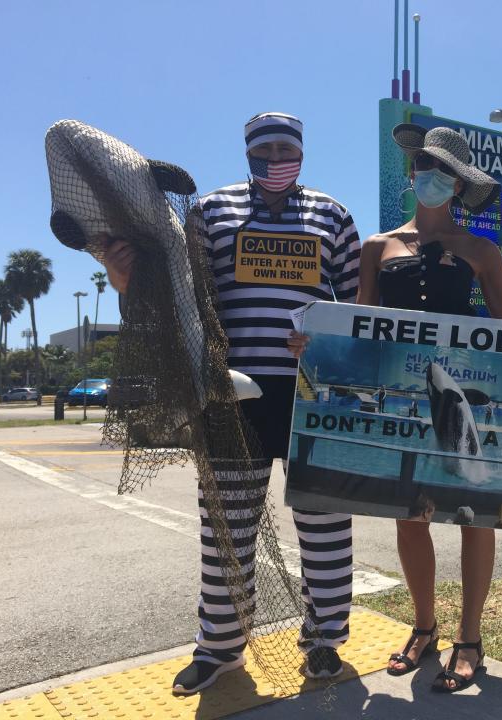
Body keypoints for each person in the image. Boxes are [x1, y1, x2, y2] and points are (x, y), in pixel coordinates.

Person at [101, 112, 360, 695]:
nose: (275, 158)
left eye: (285, 148)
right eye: (263, 148)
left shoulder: (334, 215)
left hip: (314, 395)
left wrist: (331, 336)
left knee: (325, 525)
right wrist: (125, 282)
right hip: (229, 392)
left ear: (301, 151)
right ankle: (219, 649)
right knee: (226, 528)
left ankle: (325, 640)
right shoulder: (210, 212)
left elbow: (354, 302)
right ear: (246, 151)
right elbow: (182, 294)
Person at [359, 124, 502, 692]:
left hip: (462, 393)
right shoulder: (376, 248)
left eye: (444, 172)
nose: (433, 178)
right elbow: (360, 327)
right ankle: (423, 627)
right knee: (410, 512)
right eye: (425, 167)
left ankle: (470, 637)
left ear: (458, 184)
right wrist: (316, 348)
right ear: (411, 176)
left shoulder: (482, 251)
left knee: (474, 511)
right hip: (403, 399)